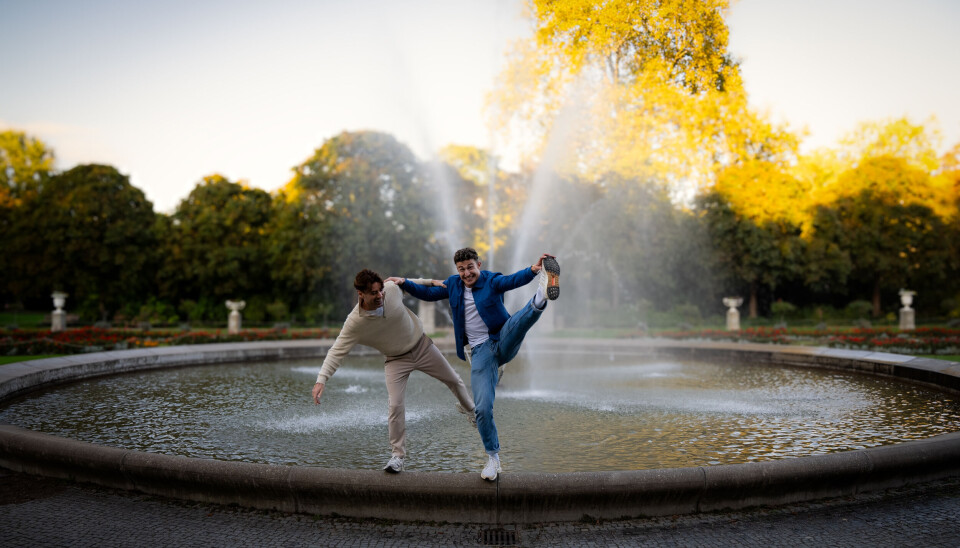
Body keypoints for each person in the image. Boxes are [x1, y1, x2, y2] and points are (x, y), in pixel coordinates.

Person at [388, 248, 560, 481]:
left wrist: (533, 269)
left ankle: (541, 294)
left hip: (503, 337)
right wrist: (404, 282)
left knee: (519, 322)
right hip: (481, 353)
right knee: (482, 409)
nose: (467, 273)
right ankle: (493, 458)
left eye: (470, 267)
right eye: (461, 269)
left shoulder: (491, 280)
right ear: (457, 270)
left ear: (479, 265)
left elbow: (511, 281)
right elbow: (428, 293)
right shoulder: (454, 284)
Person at [311, 269, 476, 474]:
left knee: (454, 380)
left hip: (422, 346)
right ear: (361, 294)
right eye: (374, 293)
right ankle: (398, 456)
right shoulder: (354, 323)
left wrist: (433, 282)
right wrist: (321, 379)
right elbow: (337, 351)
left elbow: (411, 283)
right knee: (395, 405)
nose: (380, 295)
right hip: (396, 360)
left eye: (380, 290)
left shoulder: (390, 289)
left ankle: (471, 412)